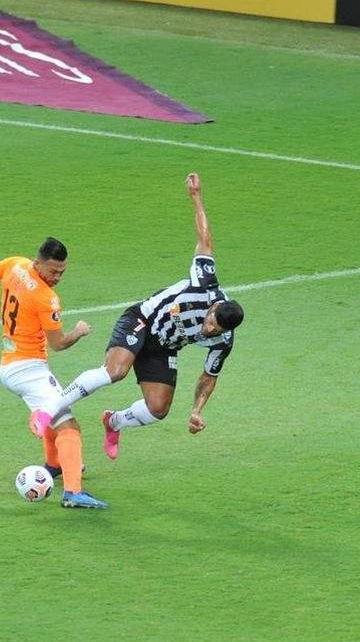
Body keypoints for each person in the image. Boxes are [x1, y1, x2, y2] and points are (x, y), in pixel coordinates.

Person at [31, 173, 244, 460]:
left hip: (164, 346)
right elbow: (205, 240)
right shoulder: (205, 284)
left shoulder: (223, 341)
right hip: (142, 321)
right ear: (214, 308)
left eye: (213, 331)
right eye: (209, 321)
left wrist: (196, 411)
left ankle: (113, 422)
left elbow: (208, 376)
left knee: (158, 409)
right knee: (115, 372)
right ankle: (49, 410)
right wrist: (196, 196)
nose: (208, 330)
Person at [0, 237, 109, 509]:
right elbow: (59, 343)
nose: (57, 276)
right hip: (29, 370)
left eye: (62, 271)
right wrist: (79, 331)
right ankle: (73, 493)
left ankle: (54, 465)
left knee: (54, 409)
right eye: (53, 271)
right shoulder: (46, 298)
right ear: (38, 263)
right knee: (69, 426)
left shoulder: (15, 265)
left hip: (10, 365)